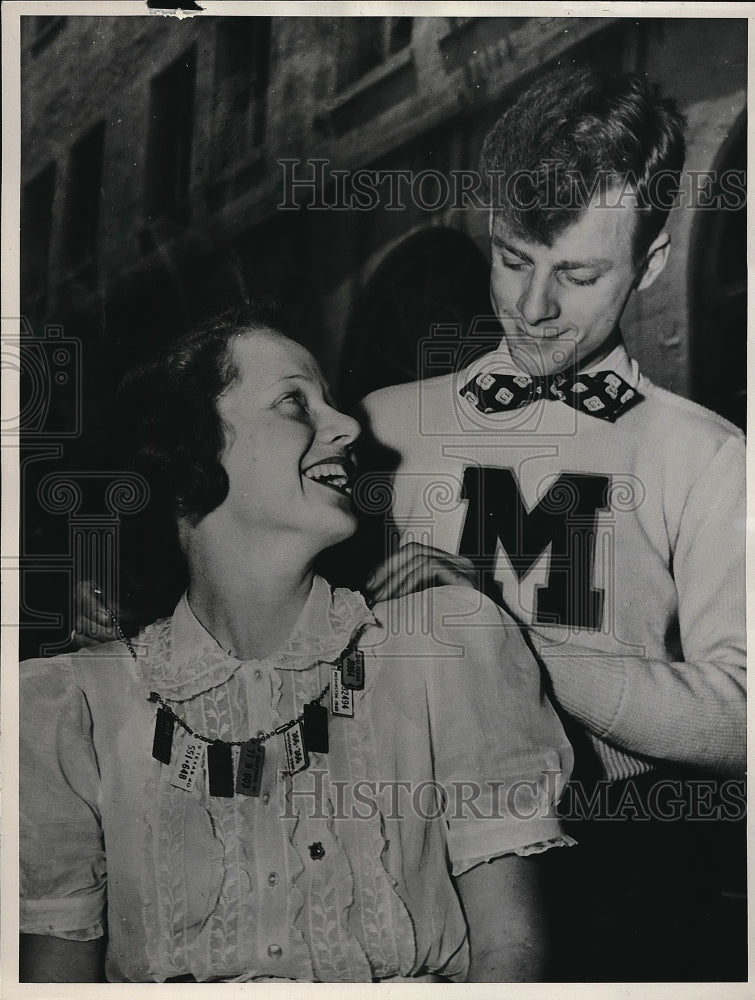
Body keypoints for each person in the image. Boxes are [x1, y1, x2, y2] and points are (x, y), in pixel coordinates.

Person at [19, 310, 575, 984]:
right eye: (293, 402)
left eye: (331, 403)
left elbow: (510, 953)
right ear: (185, 451)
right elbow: (54, 981)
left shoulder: (441, 646)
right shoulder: (69, 704)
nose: (346, 429)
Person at [357, 66, 746, 979]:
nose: (532, 309)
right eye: (510, 258)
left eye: (575, 274)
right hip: (388, 866)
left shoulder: (704, 453)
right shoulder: (376, 425)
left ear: (649, 264)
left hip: (619, 890)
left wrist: (511, 644)